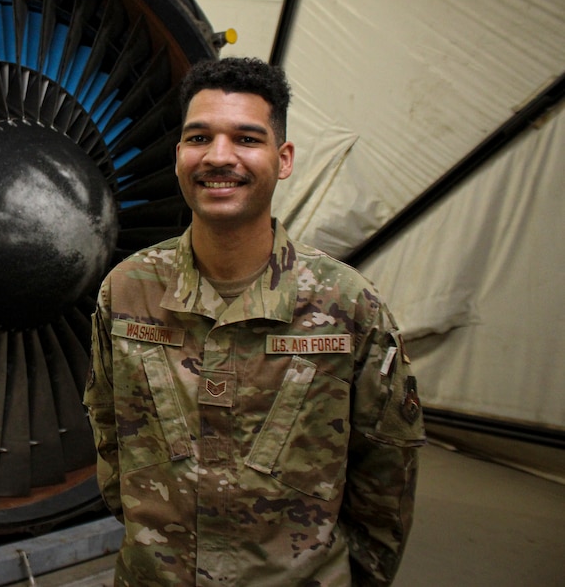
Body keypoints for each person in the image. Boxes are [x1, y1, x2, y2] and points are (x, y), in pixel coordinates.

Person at [84, 57, 425, 586]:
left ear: (283, 158)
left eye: (246, 139)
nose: (219, 157)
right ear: (179, 155)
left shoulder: (348, 305)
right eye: (199, 138)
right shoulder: (128, 292)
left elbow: (385, 482)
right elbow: (110, 437)